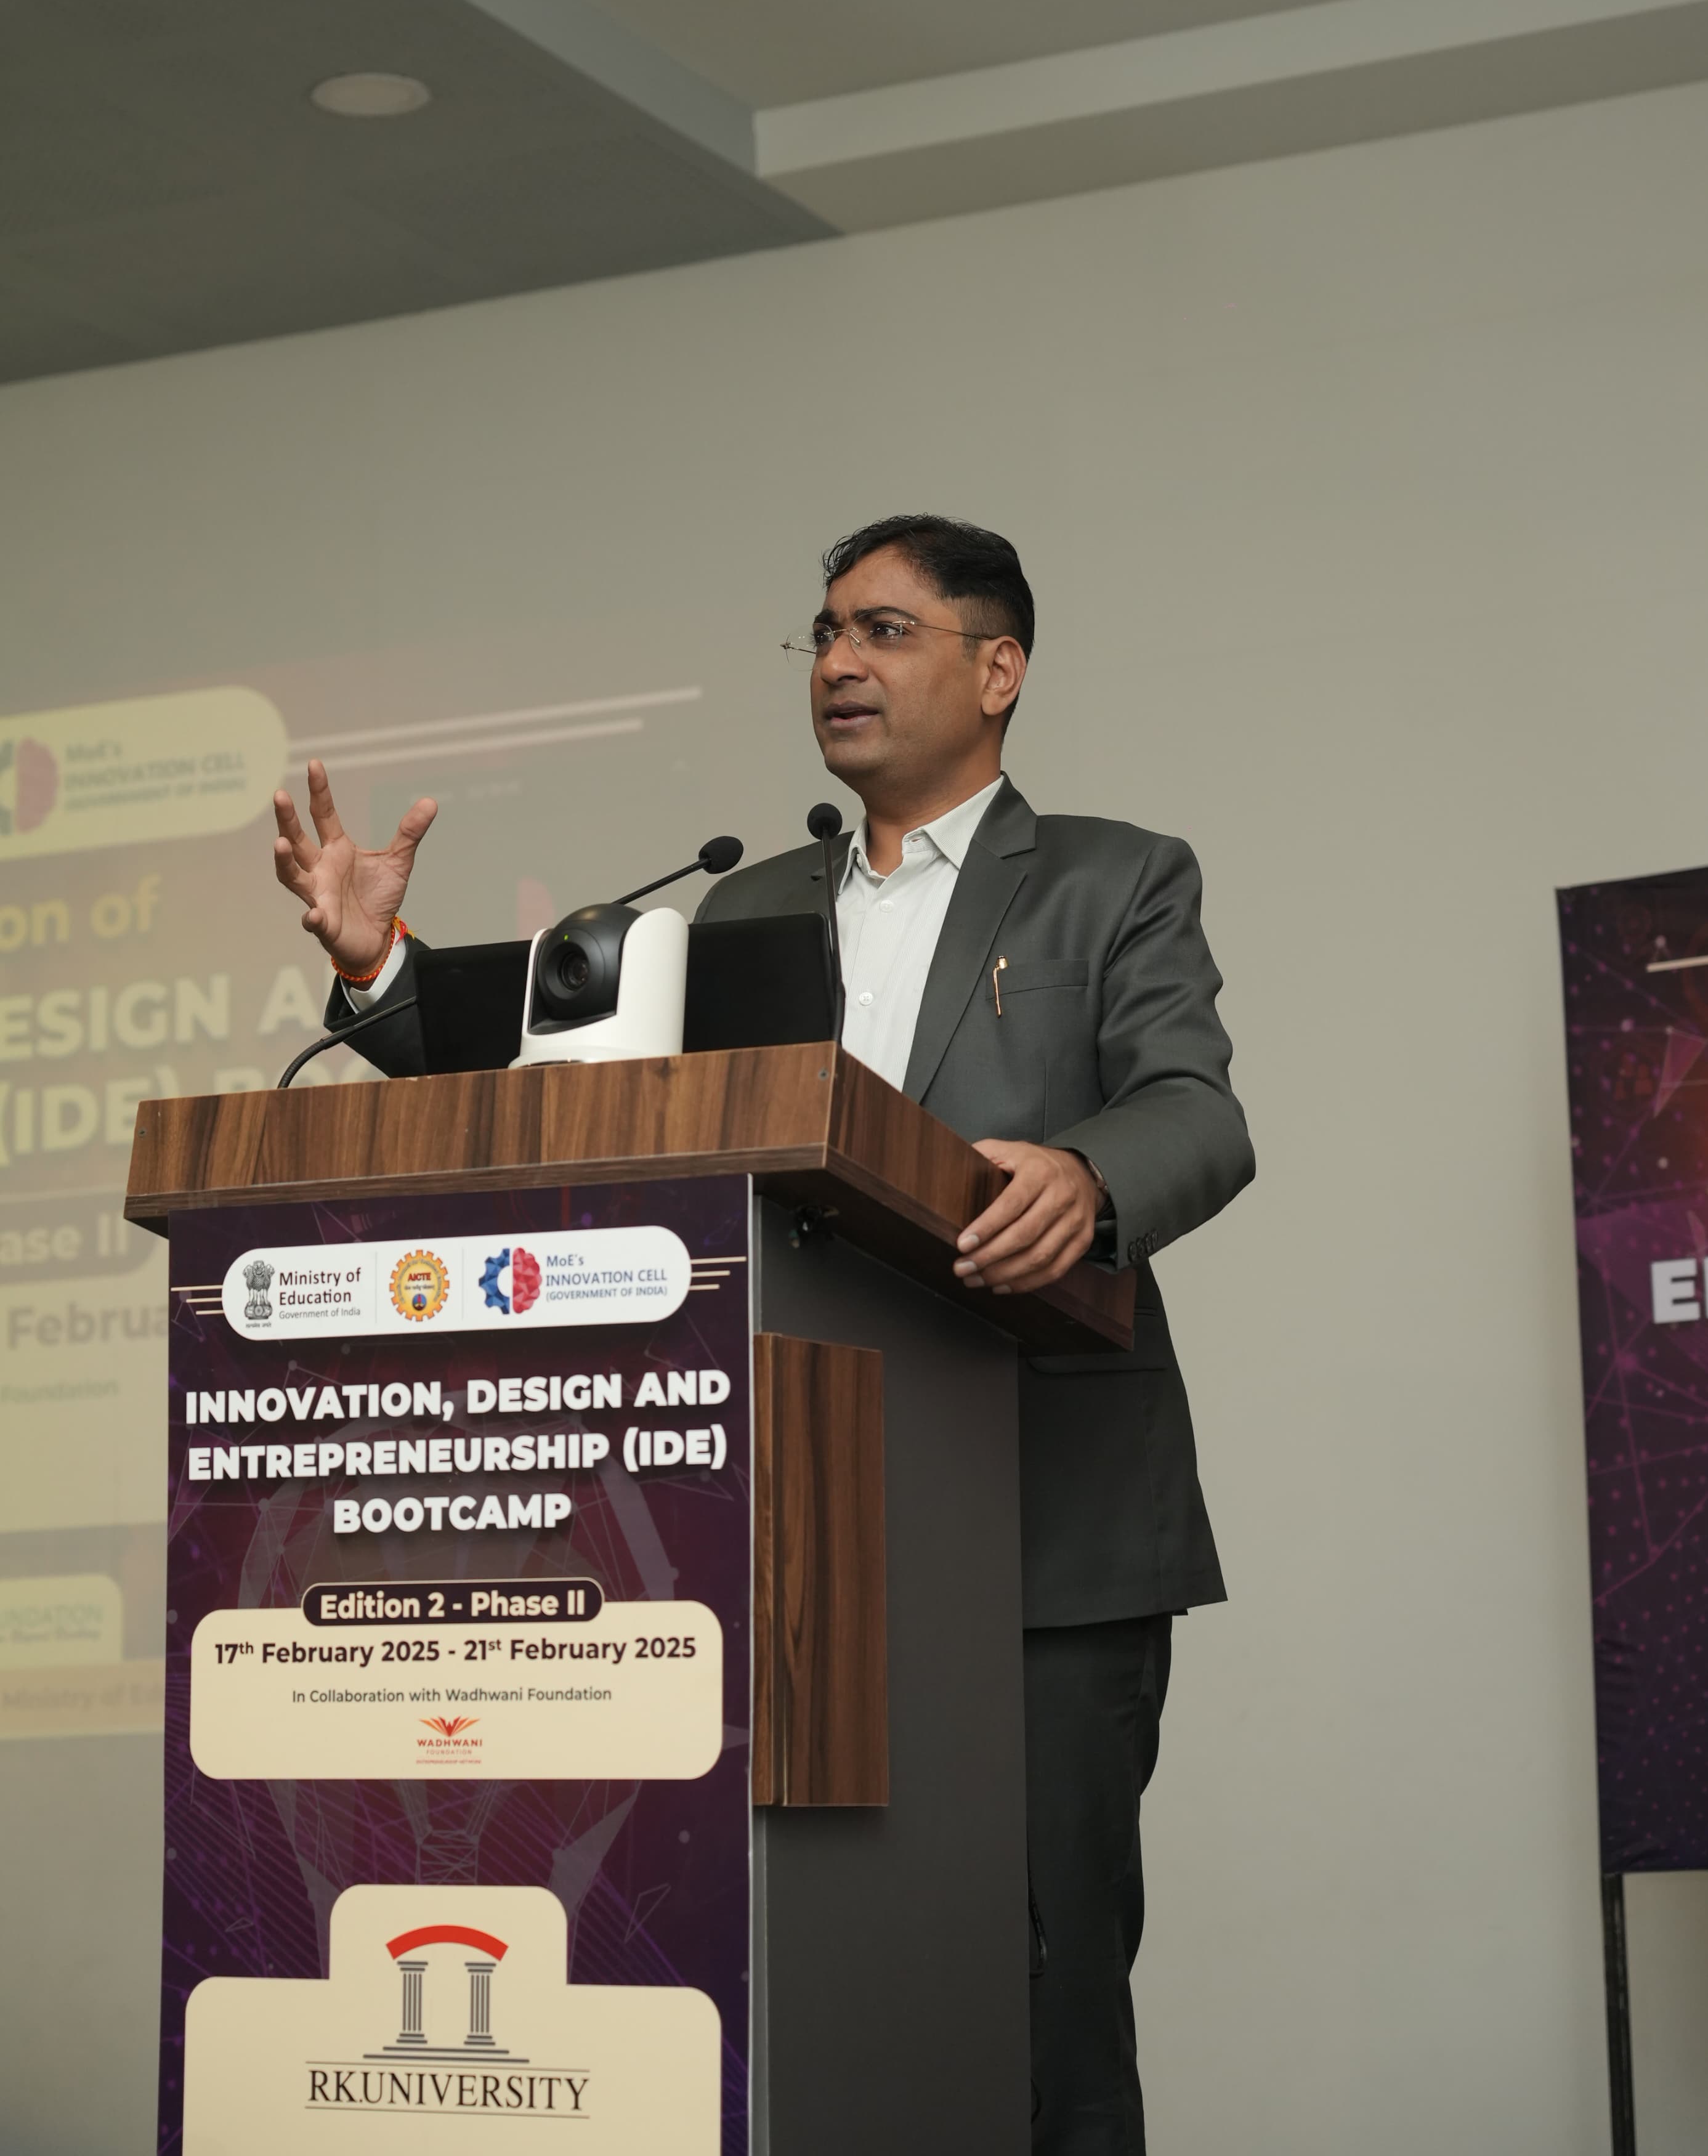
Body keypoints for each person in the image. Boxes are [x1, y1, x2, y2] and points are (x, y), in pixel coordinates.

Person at [270, 513, 1254, 2154]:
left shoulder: (1112, 876)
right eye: (823, 634)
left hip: (1045, 1527)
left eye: (884, 630)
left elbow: (1196, 1112)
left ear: (999, 670)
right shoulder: (738, 903)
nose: (838, 663)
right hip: (786, 1530)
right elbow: (567, 1105)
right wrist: (384, 973)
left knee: (1044, 1974)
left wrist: (1088, 1178)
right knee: (804, 1971)